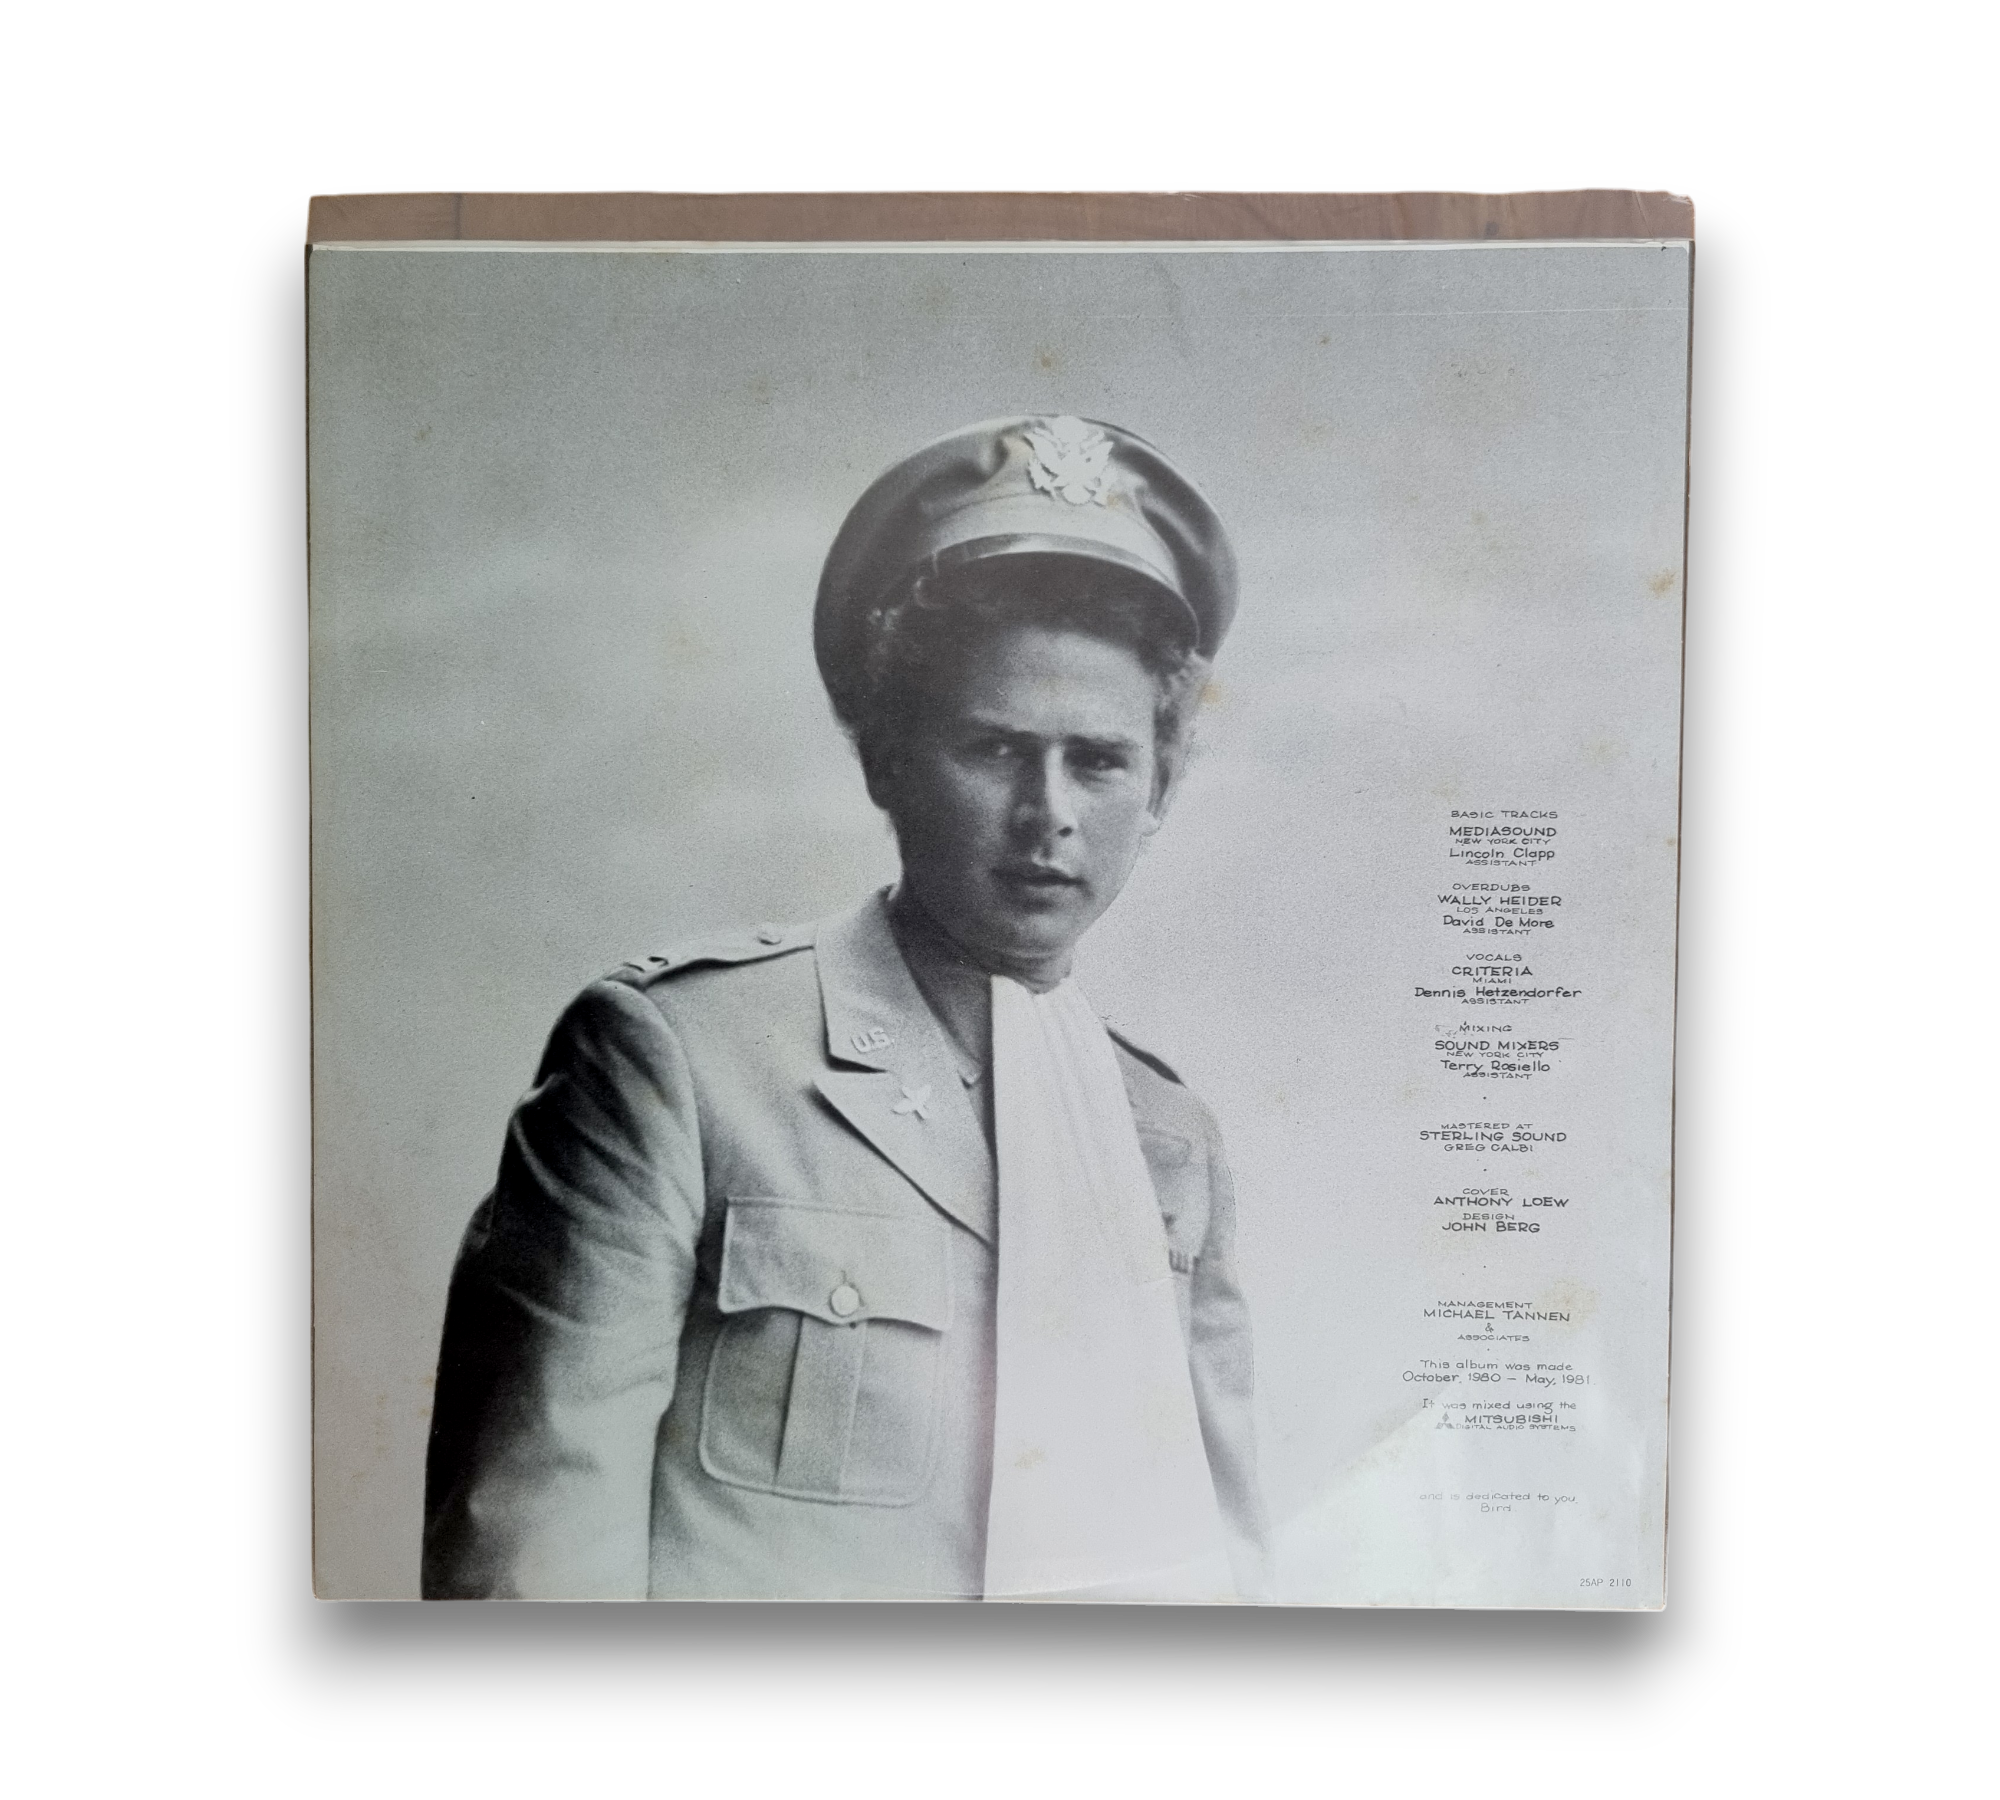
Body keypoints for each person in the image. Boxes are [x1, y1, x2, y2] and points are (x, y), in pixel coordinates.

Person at [423, 414, 1268, 1600]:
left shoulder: (1168, 1142)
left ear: (1161, 785)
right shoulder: (679, 1061)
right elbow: (528, 1553)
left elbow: (1225, 1562)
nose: (1049, 814)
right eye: (993, 749)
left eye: (1098, 760)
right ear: (885, 760)